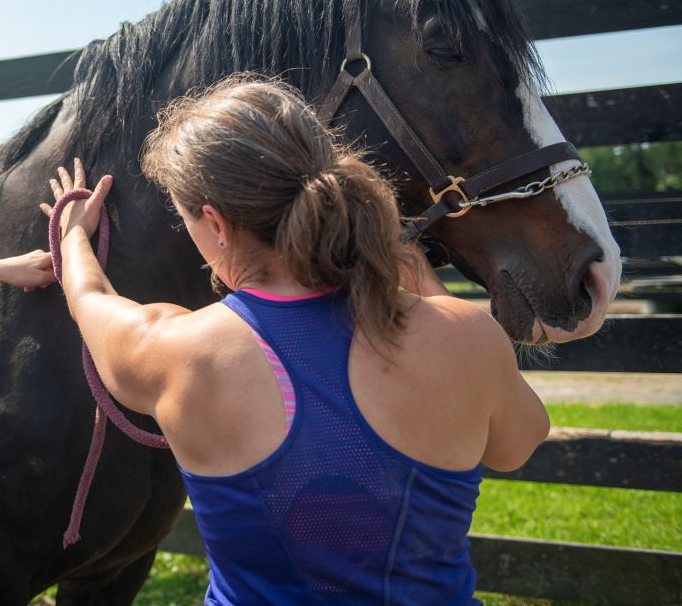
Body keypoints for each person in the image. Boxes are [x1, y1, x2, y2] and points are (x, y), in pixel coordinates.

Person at [41, 77, 549, 605]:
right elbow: (519, 445)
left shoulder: (177, 353)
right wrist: (412, 268)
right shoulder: (465, 335)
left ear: (214, 222)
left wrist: (74, 234)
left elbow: (90, 299)